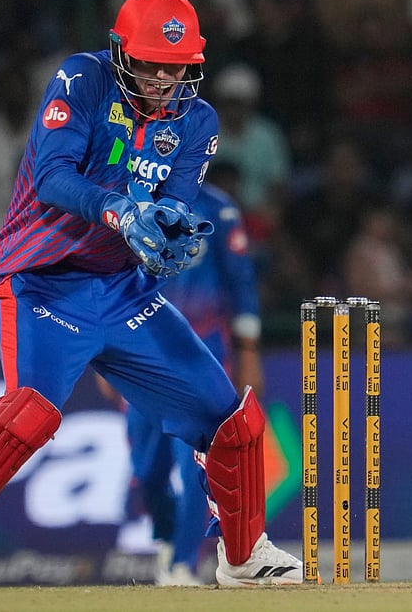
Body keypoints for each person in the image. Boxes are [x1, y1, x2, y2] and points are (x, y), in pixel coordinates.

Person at [0, 0, 302, 589]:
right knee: (28, 413)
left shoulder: (198, 120)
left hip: (123, 290)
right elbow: (52, 178)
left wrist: (168, 232)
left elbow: (174, 204)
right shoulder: (82, 80)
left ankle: (244, 556)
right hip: (39, 278)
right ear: (121, 52)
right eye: (150, 64)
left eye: (176, 67)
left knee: (232, 422)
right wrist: (122, 212)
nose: (163, 79)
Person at [98, 170, 266, 586]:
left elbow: (241, 283)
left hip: (202, 349)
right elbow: (102, 277)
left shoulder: (217, 208)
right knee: (147, 468)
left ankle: (182, 564)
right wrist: (100, 352)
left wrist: (247, 350)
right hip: (140, 348)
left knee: (197, 462)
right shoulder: (124, 203)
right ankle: (168, 539)